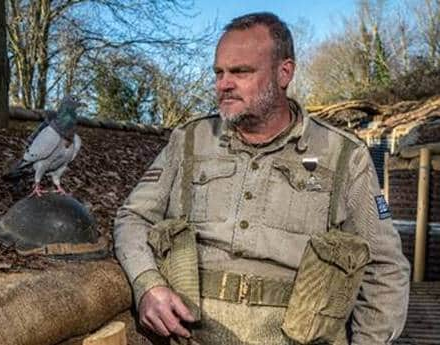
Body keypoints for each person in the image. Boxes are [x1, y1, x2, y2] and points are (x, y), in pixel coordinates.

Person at [114, 12, 410, 345]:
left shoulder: (343, 156)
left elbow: (384, 269)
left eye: (241, 71)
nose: (224, 84)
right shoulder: (189, 140)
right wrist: (148, 285)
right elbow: (133, 217)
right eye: (219, 72)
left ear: (284, 73)